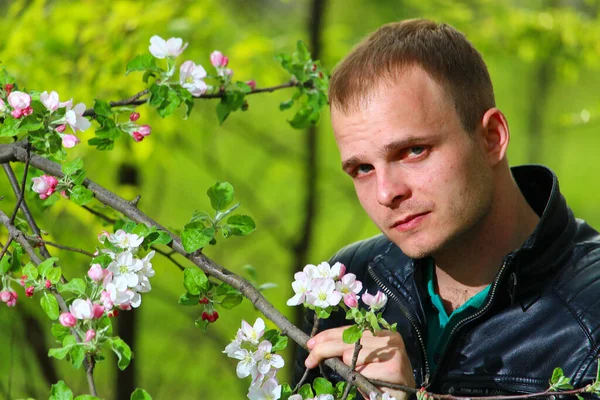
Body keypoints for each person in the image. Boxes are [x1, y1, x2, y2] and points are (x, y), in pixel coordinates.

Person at [293, 18, 600, 400]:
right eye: (363, 169)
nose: (387, 193)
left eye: (413, 151)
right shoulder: (351, 281)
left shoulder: (591, 321)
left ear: (491, 138)